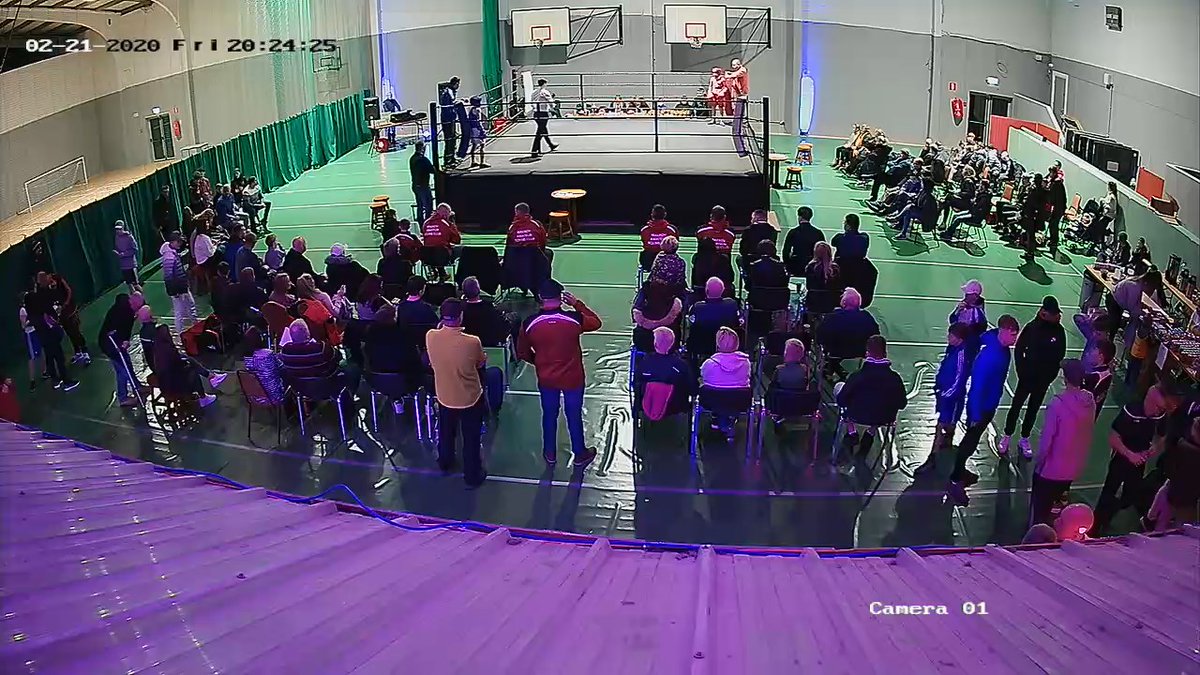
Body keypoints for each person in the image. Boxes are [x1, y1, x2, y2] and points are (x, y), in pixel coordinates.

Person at [517, 279, 601, 467]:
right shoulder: (574, 320)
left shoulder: (530, 324)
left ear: (540, 297)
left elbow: (522, 352)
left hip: (547, 378)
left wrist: (539, 362)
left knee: (549, 414)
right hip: (573, 378)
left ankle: (550, 453)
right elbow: (596, 323)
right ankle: (580, 453)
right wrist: (577, 304)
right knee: (573, 414)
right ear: (562, 298)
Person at [947, 315, 1021, 502]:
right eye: (1012, 335)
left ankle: (959, 472)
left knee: (971, 440)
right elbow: (977, 387)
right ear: (1002, 331)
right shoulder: (990, 357)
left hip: (987, 404)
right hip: (982, 408)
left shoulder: (996, 345)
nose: (1015, 339)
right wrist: (976, 413)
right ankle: (955, 479)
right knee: (969, 442)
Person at [1092, 382, 1180, 535]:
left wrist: (1155, 447)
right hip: (1121, 460)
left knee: (1131, 495)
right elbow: (1114, 437)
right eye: (1158, 407)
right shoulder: (1131, 411)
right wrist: (1129, 454)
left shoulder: (1159, 415)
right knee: (1109, 492)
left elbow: (1163, 435)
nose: (1159, 411)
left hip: (1140, 462)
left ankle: (1114, 513)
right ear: (1149, 400)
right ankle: (1096, 525)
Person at [426, 298, 489, 487]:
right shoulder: (472, 342)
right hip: (469, 397)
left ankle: (445, 462)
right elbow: (480, 363)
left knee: (446, 431)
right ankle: (472, 474)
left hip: (444, 394)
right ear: (461, 317)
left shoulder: (431, 336)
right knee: (471, 437)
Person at [1029, 359, 1095, 527]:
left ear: (1065, 378)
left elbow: (1047, 440)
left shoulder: (1057, 404)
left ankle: (1038, 537)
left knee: (1040, 510)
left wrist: (1040, 462)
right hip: (1073, 467)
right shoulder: (1090, 402)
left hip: (1052, 469)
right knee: (1059, 502)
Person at [1002, 296, 1067, 459]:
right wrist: (1021, 372)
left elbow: (1060, 355)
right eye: (1054, 313)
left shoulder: (1059, 331)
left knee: (1033, 409)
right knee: (1016, 406)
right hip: (1026, 378)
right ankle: (1007, 436)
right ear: (1044, 313)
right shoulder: (1032, 328)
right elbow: (1019, 349)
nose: (1058, 316)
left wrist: (1050, 376)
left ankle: (1024, 438)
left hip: (1042, 381)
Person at [835, 335, 908, 459]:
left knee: (839, 387)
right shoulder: (894, 378)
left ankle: (851, 431)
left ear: (867, 353)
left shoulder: (856, 377)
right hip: (885, 417)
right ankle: (871, 431)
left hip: (856, 414)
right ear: (885, 353)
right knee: (878, 404)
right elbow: (902, 404)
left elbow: (842, 400)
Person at [151, 324, 222, 407]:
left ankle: (210, 377)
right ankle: (204, 394)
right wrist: (187, 363)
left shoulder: (158, 349)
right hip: (173, 384)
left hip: (166, 382)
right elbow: (178, 365)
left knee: (189, 361)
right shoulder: (168, 350)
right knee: (193, 371)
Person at [700, 326, 752, 436]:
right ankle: (729, 416)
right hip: (739, 402)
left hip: (712, 402)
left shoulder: (709, 363)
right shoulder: (746, 363)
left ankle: (717, 416)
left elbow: (704, 378)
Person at [816, 288, 879, 378]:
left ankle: (832, 368)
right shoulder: (867, 317)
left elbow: (820, 336)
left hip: (835, 351)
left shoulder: (832, 317)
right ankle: (836, 369)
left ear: (844, 302)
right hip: (859, 351)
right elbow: (875, 336)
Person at [637, 326, 695, 419]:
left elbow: (637, 384)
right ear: (672, 344)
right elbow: (693, 389)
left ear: (655, 344)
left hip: (646, 407)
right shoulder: (682, 365)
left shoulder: (645, 362)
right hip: (677, 408)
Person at [929, 323, 970, 454]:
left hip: (952, 399)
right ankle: (942, 447)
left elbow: (959, 378)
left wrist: (946, 394)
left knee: (945, 423)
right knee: (942, 422)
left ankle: (938, 451)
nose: (948, 337)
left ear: (959, 339)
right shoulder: (952, 350)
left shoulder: (961, 356)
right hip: (945, 394)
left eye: (951, 335)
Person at [97, 293, 141, 407]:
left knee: (127, 363)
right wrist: (123, 341)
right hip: (110, 344)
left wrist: (125, 339)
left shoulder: (128, 309)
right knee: (122, 370)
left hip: (117, 341)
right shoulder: (123, 314)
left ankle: (137, 386)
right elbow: (117, 329)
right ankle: (123, 397)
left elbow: (127, 327)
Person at [364, 303, 423, 381]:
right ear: (393, 318)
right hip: (404, 381)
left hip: (377, 381)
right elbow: (414, 361)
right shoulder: (404, 336)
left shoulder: (369, 337)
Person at [160, 234, 197, 335]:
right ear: (172, 242)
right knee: (179, 312)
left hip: (182, 287)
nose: (180, 244)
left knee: (191, 306)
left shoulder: (174, 253)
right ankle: (181, 334)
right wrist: (174, 291)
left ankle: (195, 327)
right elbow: (168, 277)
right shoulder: (169, 257)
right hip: (177, 290)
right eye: (178, 242)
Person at [461, 276, 510, 345]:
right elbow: (501, 328)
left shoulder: (461, 310)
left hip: (467, 345)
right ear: (479, 289)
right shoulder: (489, 308)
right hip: (489, 343)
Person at [243, 328, 286, 405]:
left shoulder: (246, 358)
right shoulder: (268, 354)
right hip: (274, 397)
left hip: (255, 398)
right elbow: (282, 367)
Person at [948, 279, 988, 363]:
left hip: (966, 347)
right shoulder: (964, 305)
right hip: (959, 344)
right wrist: (957, 311)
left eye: (967, 293)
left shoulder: (977, 311)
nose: (965, 295)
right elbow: (952, 320)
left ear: (974, 296)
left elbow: (981, 328)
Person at [782, 206, 825, 276]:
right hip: (812, 266)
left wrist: (788, 265)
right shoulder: (818, 233)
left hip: (796, 265)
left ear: (800, 217)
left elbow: (786, 251)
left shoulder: (793, 232)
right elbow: (823, 250)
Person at [803, 241, 843, 316]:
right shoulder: (835, 268)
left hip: (814, 304)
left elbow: (809, 286)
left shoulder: (810, 267)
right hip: (831, 304)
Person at [17, 292, 46, 391]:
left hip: (36, 331)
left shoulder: (32, 307)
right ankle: (32, 381)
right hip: (29, 334)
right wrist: (31, 320)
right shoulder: (23, 310)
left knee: (41, 352)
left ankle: (44, 372)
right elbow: (23, 325)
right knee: (32, 358)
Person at [1081, 339, 1116, 418]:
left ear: (1100, 357)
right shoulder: (1105, 373)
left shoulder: (1095, 377)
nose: (1088, 353)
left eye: (1093, 350)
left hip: (1081, 418)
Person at [640, 205, 678, 270]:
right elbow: (675, 245)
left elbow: (644, 242)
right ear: (665, 214)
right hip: (668, 263)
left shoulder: (644, 229)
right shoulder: (672, 229)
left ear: (652, 215)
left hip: (648, 262)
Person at [1020, 173, 1048, 260]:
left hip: (1031, 216)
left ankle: (1030, 253)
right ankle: (1030, 251)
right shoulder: (1044, 191)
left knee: (1030, 235)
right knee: (1031, 235)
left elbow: (1029, 203)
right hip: (1038, 217)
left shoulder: (1034, 191)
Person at [530, 78, 559, 158]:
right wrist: (553, 106)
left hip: (536, 112)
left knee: (542, 129)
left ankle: (550, 145)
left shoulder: (534, 92)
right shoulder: (545, 92)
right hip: (543, 112)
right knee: (540, 132)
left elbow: (532, 101)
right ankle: (534, 150)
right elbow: (551, 102)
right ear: (544, 84)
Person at [409, 142, 435, 222]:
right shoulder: (423, 160)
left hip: (415, 185)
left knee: (420, 205)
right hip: (423, 186)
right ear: (422, 148)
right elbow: (432, 170)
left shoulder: (412, 158)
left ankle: (420, 221)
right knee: (428, 205)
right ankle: (428, 221)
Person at [438, 77, 461, 167]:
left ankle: (452, 158)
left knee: (452, 138)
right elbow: (452, 102)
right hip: (448, 118)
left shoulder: (450, 91)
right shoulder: (449, 92)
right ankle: (448, 160)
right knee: (449, 139)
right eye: (458, 84)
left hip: (450, 117)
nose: (458, 86)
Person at [1045, 166, 1067, 256]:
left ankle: (1054, 240)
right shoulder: (1055, 182)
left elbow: (1052, 196)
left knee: (1053, 224)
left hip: (1059, 207)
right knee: (1052, 223)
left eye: (1051, 173)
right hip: (1058, 206)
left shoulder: (1056, 183)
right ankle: (1053, 239)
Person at [113, 221, 140, 290]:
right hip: (123, 266)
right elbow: (118, 248)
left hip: (131, 265)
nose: (118, 231)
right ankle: (133, 300)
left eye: (119, 229)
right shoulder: (116, 237)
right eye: (117, 229)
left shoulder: (129, 237)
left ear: (123, 228)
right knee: (129, 285)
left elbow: (135, 249)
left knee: (136, 285)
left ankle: (141, 300)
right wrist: (117, 253)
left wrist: (124, 254)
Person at [465, 96, 488, 168]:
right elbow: (479, 121)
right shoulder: (477, 110)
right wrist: (482, 130)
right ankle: (482, 162)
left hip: (472, 128)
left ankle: (473, 161)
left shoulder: (471, 109)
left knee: (474, 145)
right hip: (477, 128)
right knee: (482, 145)